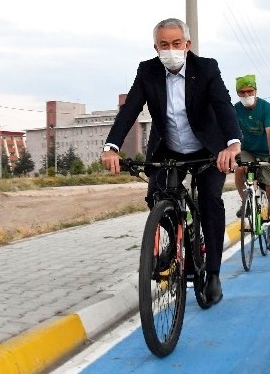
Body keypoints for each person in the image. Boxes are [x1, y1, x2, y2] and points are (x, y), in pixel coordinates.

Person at [101, 18, 240, 306]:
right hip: (170, 150)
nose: (171, 50)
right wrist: (111, 147)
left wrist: (233, 145)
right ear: (156, 47)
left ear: (187, 45)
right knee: (156, 197)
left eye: (177, 44)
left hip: (207, 150)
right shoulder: (148, 71)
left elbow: (223, 106)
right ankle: (173, 233)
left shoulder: (207, 69)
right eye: (164, 45)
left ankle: (212, 271)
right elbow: (129, 111)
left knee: (211, 201)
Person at [232, 74, 270, 251]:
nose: (246, 95)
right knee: (239, 170)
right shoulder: (235, 109)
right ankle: (246, 201)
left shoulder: (267, 108)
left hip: (267, 151)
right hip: (248, 150)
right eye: (242, 92)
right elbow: (231, 131)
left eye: (249, 91)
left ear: (256, 91)